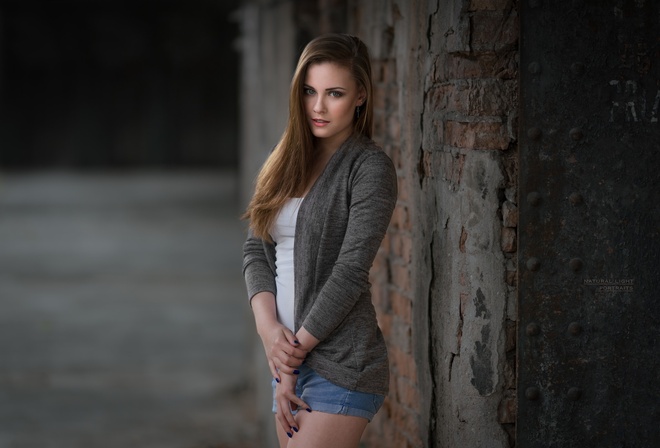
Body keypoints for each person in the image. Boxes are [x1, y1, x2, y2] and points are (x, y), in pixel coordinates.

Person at [242, 33, 397, 448]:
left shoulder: (369, 169)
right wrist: (268, 329)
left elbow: (349, 273)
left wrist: (291, 356)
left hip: (342, 363)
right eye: (310, 91)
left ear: (360, 95)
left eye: (335, 93)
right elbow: (257, 246)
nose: (318, 106)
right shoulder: (287, 158)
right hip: (285, 360)